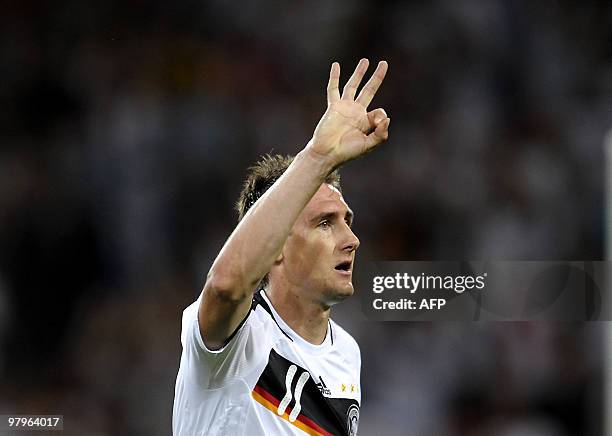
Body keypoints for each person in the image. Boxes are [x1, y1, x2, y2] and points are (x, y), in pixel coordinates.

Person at [173, 58, 390, 436]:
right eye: (325, 223)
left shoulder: (347, 353)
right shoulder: (236, 337)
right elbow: (226, 285)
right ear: (276, 248)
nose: (352, 241)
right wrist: (318, 158)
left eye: (347, 222)